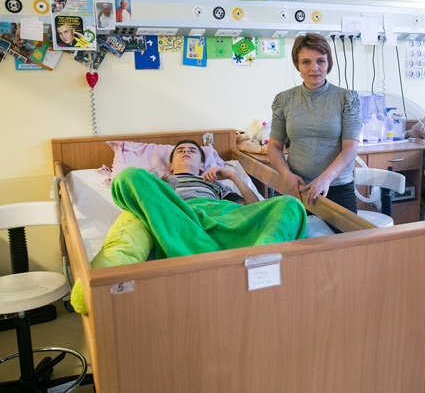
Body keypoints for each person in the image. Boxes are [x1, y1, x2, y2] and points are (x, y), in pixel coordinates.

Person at [111, 140, 307, 258]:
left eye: (192, 150)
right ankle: (224, 257)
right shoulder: (160, 184)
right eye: (180, 151)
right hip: (183, 219)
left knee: (291, 205)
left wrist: (233, 176)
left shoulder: (216, 184)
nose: (186, 152)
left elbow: (255, 209)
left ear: (202, 165)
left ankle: (258, 259)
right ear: (171, 165)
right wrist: (157, 181)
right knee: (130, 175)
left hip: (223, 219)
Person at [267, 33, 362, 214]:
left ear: (329, 63)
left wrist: (326, 178)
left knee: (346, 234)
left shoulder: (347, 98)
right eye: (306, 62)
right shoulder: (284, 99)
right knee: (295, 233)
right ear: (297, 65)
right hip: (297, 189)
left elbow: (350, 147)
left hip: (337, 188)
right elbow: (273, 147)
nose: (314, 68)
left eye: (320, 61)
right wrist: (287, 176)